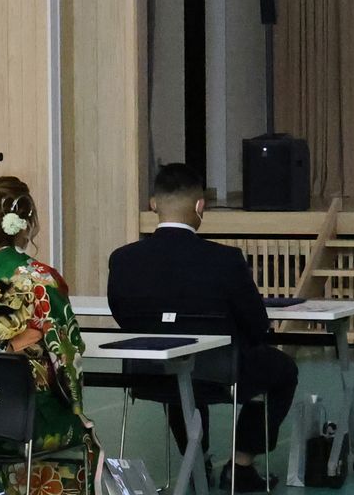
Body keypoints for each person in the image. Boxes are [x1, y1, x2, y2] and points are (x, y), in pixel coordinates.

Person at [107, 163, 297, 492]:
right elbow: (256, 324)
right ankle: (241, 464)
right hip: (222, 371)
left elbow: (122, 316)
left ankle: (197, 459)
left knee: (181, 372)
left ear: (153, 204)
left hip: (148, 371)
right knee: (282, 370)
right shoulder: (225, 260)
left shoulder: (123, 259)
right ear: (200, 206)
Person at [0, 177, 100, 495]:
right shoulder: (39, 281)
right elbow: (67, 354)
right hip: (23, 419)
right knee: (83, 431)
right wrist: (76, 406)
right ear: (25, 224)